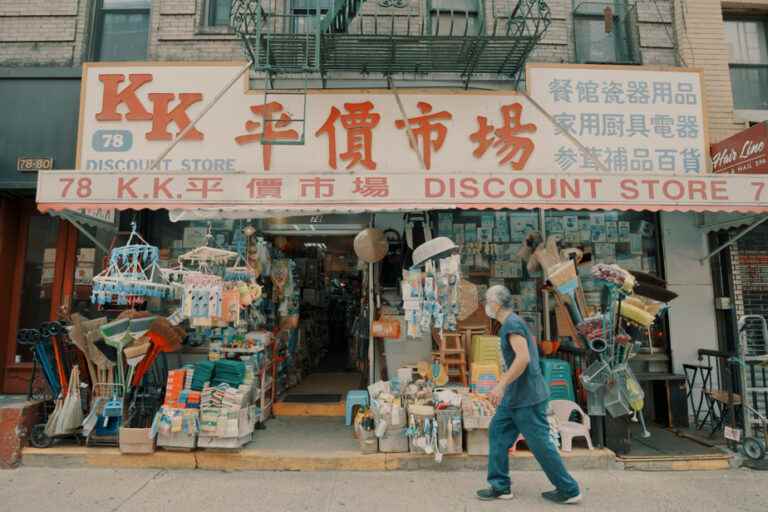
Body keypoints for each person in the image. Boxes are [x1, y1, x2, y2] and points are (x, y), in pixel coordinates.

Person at [476, 285, 582, 505]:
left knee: (540, 444)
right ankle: (500, 486)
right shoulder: (511, 322)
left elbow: (523, 358)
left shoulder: (511, 325)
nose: (486, 304)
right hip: (515, 397)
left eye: (487, 300)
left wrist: (500, 385)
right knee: (497, 432)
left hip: (527, 398)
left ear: (495, 304)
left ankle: (569, 489)